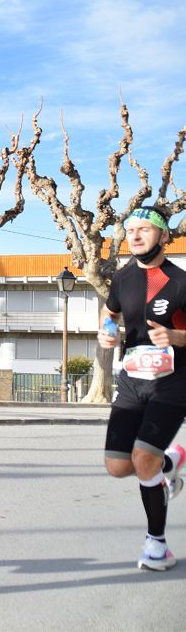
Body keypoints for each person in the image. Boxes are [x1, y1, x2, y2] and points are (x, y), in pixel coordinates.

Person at [98, 204, 186, 571]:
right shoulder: (122, 277)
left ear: (164, 236)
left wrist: (177, 336)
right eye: (130, 229)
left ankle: (157, 545)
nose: (134, 235)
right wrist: (106, 331)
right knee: (118, 466)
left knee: (143, 461)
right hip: (132, 378)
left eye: (144, 229)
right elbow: (111, 313)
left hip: (173, 381)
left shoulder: (181, 282)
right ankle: (172, 461)